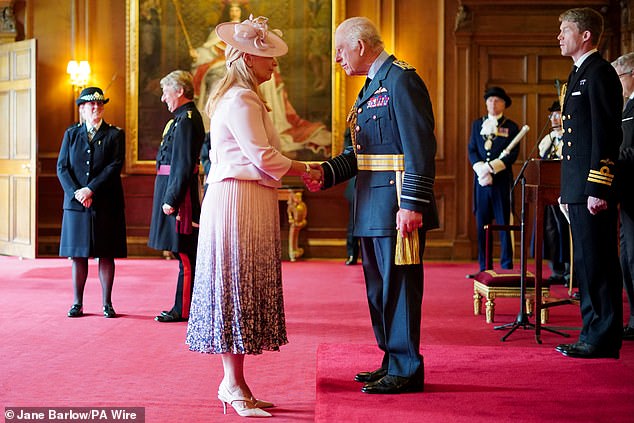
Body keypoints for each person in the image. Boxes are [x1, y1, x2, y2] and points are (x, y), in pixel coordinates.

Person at [185, 15, 318, 417]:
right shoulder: (241, 98)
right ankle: (232, 385)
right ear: (247, 59)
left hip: (246, 199)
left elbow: (259, 157)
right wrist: (307, 169)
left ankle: (236, 383)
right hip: (237, 201)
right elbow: (262, 157)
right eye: (267, 57)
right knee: (234, 289)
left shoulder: (244, 96)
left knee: (242, 287)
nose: (274, 64)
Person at [305, 16, 438, 394]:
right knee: (379, 291)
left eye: (339, 50)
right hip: (369, 207)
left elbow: (420, 147)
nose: (336, 59)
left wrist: (412, 204)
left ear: (359, 46)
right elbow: (357, 154)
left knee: (399, 289)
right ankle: (392, 360)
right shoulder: (369, 88)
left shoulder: (401, 79)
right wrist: (326, 173)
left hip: (398, 207)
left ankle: (407, 367)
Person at [554, 7, 623, 359]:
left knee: (599, 264)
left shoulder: (600, 73)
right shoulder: (579, 73)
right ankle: (590, 331)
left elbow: (606, 135)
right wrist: (569, 192)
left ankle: (603, 334)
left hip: (591, 189)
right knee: (585, 263)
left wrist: (598, 186)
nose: (559, 36)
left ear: (586, 35)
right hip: (577, 190)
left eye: (565, 30)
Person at [57, 86, 127, 318]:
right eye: (90, 104)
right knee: (78, 254)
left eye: (99, 104)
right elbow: (62, 167)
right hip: (76, 204)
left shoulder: (115, 134)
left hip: (106, 202)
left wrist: (90, 189)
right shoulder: (71, 134)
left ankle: (107, 303)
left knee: (105, 253)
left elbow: (114, 166)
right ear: (82, 109)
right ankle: (77, 303)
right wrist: (77, 192)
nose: (96, 108)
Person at [148, 70, 205, 323]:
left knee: (186, 255)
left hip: (181, 200)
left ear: (180, 91)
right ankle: (183, 306)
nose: (163, 98)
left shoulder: (188, 119)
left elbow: (181, 164)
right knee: (181, 255)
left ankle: (184, 309)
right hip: (172, 191)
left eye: (166, 92)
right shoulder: (181, 118)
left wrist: (171, 199)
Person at [467, 86, 520, 275]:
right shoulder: (477, 125)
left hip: (501, 182)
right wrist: (480, 168)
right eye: (489, 100)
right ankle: (484, 268)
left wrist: (492, 168)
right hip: (481, 182)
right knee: (483, 224)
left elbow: (512, 154)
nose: (492, 103)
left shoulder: (511, 126)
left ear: (504, 104)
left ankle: (506, 266)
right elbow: (472, 149)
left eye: (497, 100)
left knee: (504, 222)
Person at [612, 52, 634, 341]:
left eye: (619, 76)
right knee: (627, 257)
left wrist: (609, 155)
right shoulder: (627, 104)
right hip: (626, 190)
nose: (617, 83)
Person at [537, 101, 571, 286]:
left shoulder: (569, 137)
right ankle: (556, 270)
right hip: (548, 193)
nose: (554, 118)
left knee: (565, 231)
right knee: (550, 231)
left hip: (565, 192)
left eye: (557, 114)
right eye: (552, 115)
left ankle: (569, 271)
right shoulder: (548, 139)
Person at [342, 127, 359, 265]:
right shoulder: (352, 129)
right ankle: (352, 253)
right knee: (353, 222)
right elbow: (347, 152)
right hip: (356, 180)